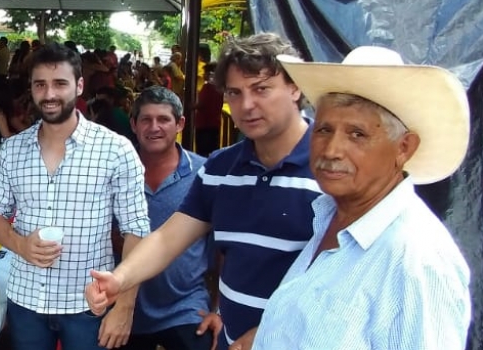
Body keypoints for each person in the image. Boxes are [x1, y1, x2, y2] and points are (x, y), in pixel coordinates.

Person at [84, 33, 321, 350]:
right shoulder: (219, 168)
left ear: (295, 87)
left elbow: (342, 280)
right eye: (235, 92)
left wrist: (269, 330)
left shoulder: (329, 168)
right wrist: (120, 279)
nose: (246, 105)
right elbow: (168, 238)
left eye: (261, 89)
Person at [241, 46, 473, 349]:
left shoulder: (416, 260)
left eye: (357, 134)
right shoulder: (333, 217)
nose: (331, 150)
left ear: (404, 148)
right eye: (324, 129)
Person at [0, 43, 148, 350]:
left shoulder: (115, 149)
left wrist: (124, 307)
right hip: (26, 300)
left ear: (79, 85)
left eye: (60, 83)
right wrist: (20, 244)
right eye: (40, 84)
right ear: (30, 88)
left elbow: (136, 231)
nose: (49, 94)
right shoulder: (13, 148)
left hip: (89, 304)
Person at [104, 86, 214, 350]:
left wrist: (218, 309)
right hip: (124, 303)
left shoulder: (205, 173)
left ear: (180, 124)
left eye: (163, 119)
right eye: (146, 119)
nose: (154, 127)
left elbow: (224, 247)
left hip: (185, 305)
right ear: (133, 124)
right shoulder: (114, 173)